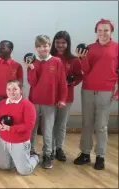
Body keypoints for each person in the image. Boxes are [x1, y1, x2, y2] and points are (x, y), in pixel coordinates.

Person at [74, 18, 118, 170]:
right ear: (96, 31)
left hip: (106, 90)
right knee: (87, 123)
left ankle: (100, 156)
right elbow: (85, 71)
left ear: (111, 31)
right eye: (100, 30)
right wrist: (82, 58)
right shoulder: (89, 48)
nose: (103, 33)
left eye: (106, 30)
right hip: (88, 89)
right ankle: (85, 153)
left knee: (101, 125)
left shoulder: (117, 48)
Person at [27, 35, 68, 169]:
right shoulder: (32, 62)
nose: (42, 49)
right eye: (39, 46)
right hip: (34, 102)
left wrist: (62, 99)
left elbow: (62, 82)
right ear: (36, 48)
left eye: (45, 46)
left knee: (48, 130)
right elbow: (32, 82)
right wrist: (32, 68)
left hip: (50, 102)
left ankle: (47, 155)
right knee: (32, 128)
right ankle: (30, 150)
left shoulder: (56, 62)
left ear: (49, 46)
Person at [49, 31, 83, 161]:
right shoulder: (49, 57)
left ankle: (59, 148)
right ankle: (50, 149)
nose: (60, 45)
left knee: (61, 124)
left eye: (63, 42)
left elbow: (79, 76)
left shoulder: (74, 60)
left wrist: (72, 82)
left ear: (67, 44)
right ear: (54, 43)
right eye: (58, 42)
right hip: (50, 96)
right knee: (50, 123)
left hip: (67, 96)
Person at [0, 79, 39, 176]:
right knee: (3, 167)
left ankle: (34, 157)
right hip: (3, 140)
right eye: (8, 89)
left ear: (21, 90)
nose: (11, 92)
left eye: (15, 89)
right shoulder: (2, 103)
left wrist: (11, 129)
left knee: (24, 171)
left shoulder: (28, 105)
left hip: (19, 141)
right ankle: (17, 159)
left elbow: (29, 125)